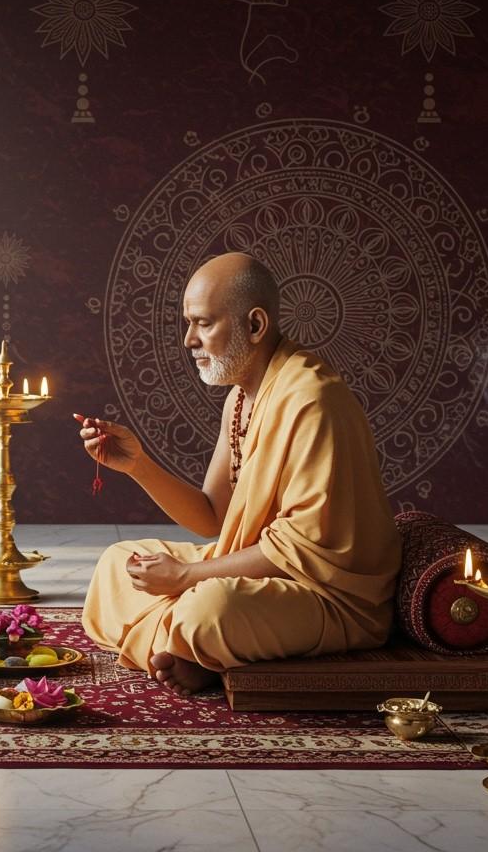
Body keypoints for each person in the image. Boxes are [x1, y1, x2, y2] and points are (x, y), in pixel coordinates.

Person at [78, 253, 400, 695]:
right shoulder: (242, 397)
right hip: (258, 572)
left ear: (255, 326)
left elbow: (301, 551)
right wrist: (138, 465)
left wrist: (187, 578)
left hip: (326, 595)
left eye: (203, 323)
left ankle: (191, 641)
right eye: (188, 323)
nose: (189, 339)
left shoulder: (312, 400)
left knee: (211, 608)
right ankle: (187, 648)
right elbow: (213, 517)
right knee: (117, 565)